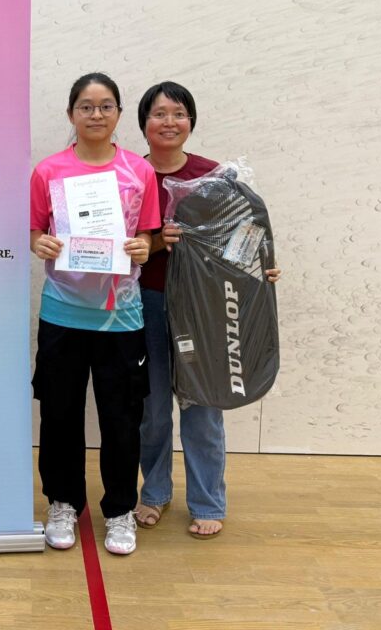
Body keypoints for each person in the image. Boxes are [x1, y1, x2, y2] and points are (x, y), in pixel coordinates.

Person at [133, 81, 280, 539]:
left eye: (178, 113)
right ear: (143, 123)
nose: (169, 122)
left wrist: (262, 271)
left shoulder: (213, 176)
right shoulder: (130, 174)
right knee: (153, 409)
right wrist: (157, 242)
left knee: (203, 404)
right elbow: (114, 243)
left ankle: (207, 501)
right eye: (159, 114)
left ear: (191, 121)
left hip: (206, 307)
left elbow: (243, 239)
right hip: (145, 302)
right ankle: (154, 493)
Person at [30, 73, 159, 555]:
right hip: (63, 313)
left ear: (119, 114)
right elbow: (34, 230)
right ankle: (63, 501)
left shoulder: (138, 171)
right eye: (86, 106)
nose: (96, 114)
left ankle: (120, 510)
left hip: (120, 318)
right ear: (71, 114)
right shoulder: (48, 171)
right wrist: (39, 242)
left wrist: (142, 247)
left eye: (106, 106)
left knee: (121, 419)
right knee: (59, 415)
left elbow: (147, 235)